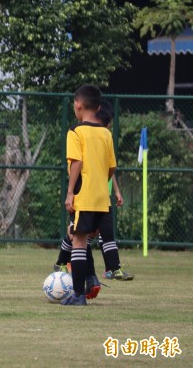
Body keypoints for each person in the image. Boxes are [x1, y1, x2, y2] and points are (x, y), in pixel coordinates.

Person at [53, 101, 134, 280]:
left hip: (101, 197)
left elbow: (108, 168)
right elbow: (78, 163)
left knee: (101, 233)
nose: (109, 126)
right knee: (77, 234)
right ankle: (65, 265)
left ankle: (110, 270)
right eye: (108, 122)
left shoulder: (105, 136)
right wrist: (71, 192)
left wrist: (117, 191)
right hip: (84, 196)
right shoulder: (82, 133)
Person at [61, 84, 117, 306]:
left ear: (78, 104)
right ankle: (93, 278)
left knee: (79, 241)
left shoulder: (76, 132)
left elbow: (77, 163)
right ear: (98, 106)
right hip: (102, 198)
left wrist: (69, 192)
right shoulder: (106, 133)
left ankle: (78, 295)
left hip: (83, 196)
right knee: (92, 239)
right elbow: (112, 167)